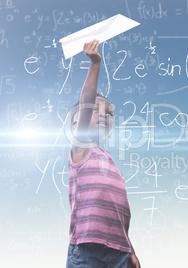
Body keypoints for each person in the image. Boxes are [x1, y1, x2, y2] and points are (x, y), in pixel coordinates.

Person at [66, 39, 140, 268]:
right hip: (88, 251)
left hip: (120, 253)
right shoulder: (81, 149)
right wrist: (95, 64)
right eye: (95, 110)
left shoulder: (111, 164)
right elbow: (86, 103)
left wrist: (131, 251)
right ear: (77, 121)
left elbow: (120, 215)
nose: (104, 113)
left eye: (109, 112)